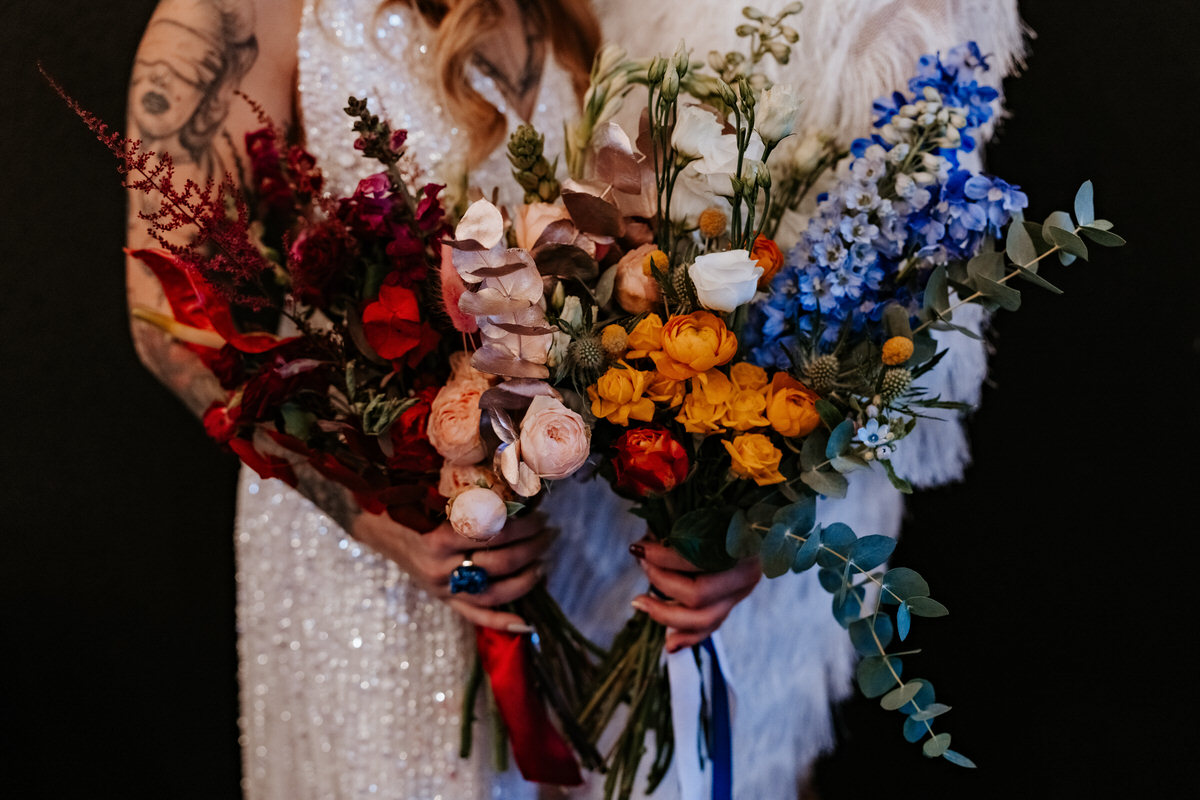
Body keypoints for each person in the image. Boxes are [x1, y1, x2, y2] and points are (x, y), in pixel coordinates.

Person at [125, 1, 1024, 797]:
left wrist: (712, 514)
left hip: (558, 552)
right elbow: (168, 321)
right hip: (369, 562)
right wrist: (377, 520)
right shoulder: (233, 13)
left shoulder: (578, 21)